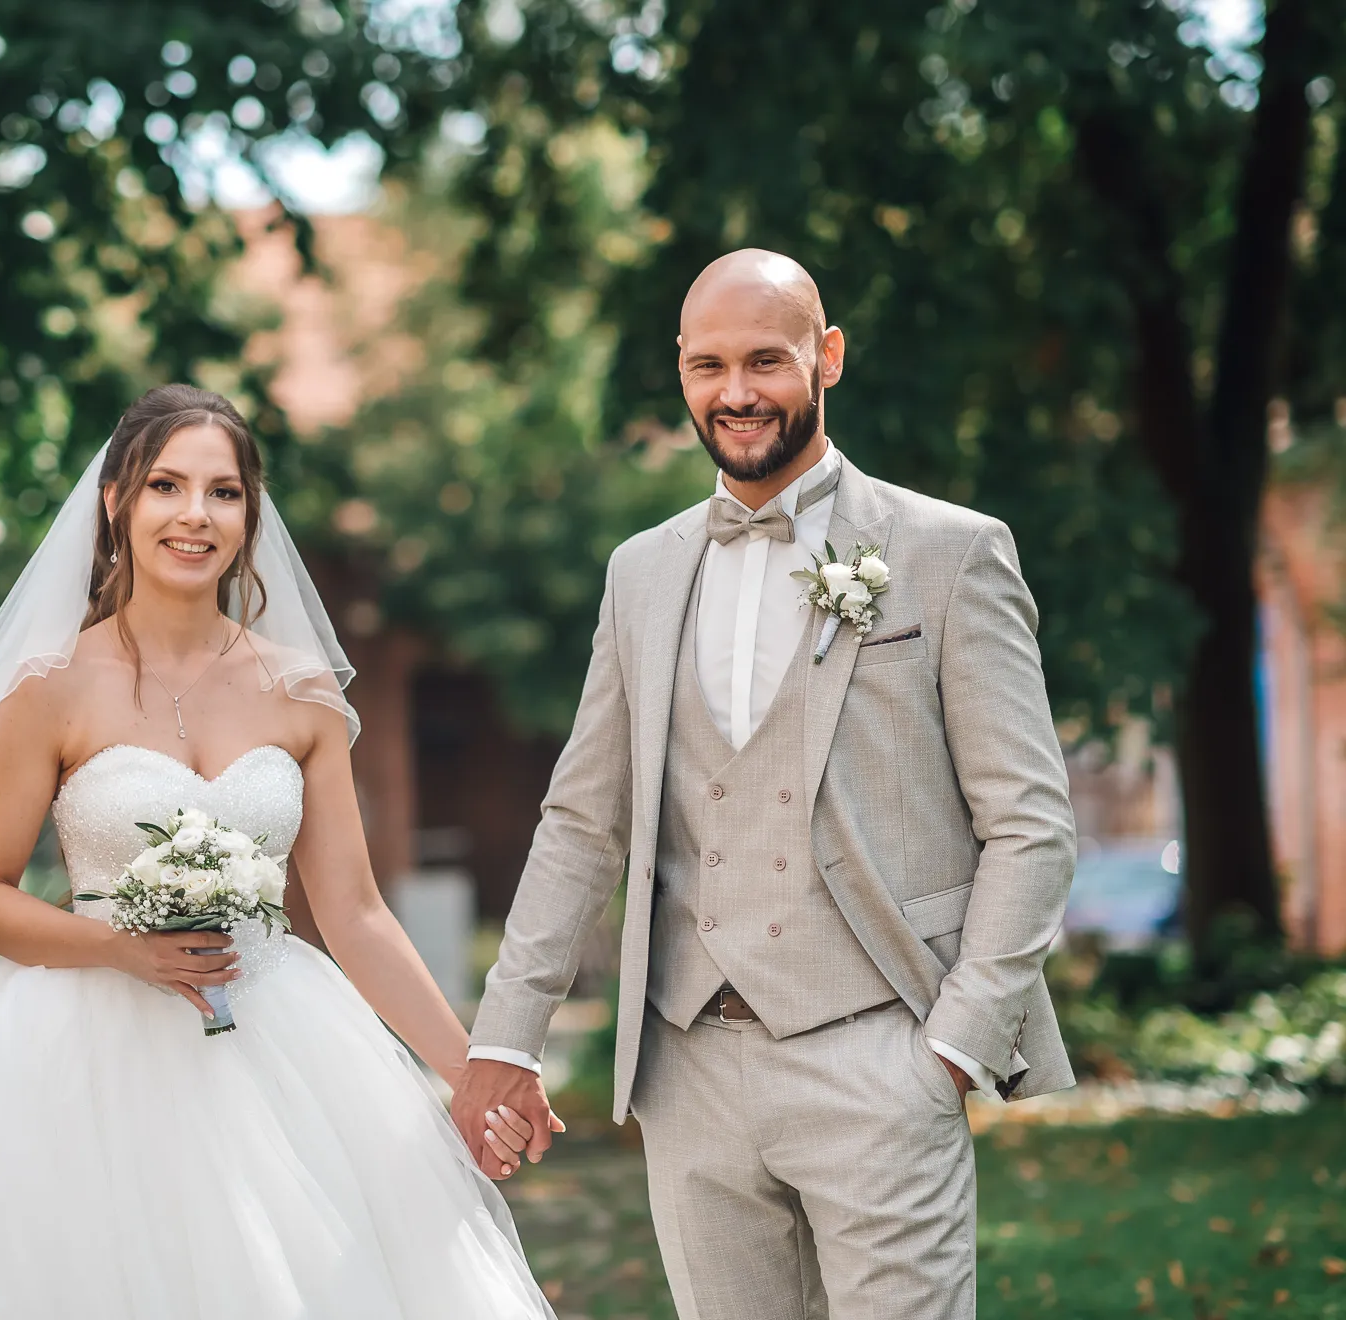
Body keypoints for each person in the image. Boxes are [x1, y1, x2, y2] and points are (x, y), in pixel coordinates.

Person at [0, 385, 555, 1319]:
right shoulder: (49, 687)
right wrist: (119, 948)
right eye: (167, 486)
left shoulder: (300, 694)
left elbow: (354, 911)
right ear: (117, 503)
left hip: (277, 1035)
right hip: (79, 1052)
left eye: (224, 492)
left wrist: (476, 1072)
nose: (195, 515)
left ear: (250, 513)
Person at [451, 250, 1078, 1319]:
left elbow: (1032, 828)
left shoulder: (949, 554)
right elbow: (581, 822)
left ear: (826, 358)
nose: (735, 392)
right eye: (708, 366)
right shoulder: (639, 573)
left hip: (880, 1055)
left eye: (765, 360)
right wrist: (508, 1036)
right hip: (690, 1068)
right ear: (682, 373)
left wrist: (953, 1051)